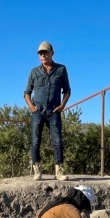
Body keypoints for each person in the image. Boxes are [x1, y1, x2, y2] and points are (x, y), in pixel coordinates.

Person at [24, 41, 71, 181]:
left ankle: (59, 171)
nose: (43, 55)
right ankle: (37, 171)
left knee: (57, 141)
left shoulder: (61, 69)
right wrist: (31, 107)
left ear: (52, 53)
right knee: (35, 141)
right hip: (37, 112)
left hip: (54, 111)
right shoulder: (34, 72)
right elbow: (27, 92)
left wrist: (62, 105)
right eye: (41, 53)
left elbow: (67, 90)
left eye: (46, 52)